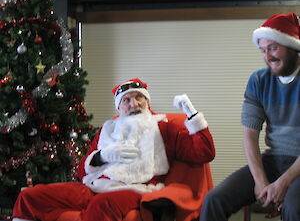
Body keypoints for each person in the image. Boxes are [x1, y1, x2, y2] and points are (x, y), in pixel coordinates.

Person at [13, 77, 215, 221]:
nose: (133, 103)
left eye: (139, 98)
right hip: (94, 187)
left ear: (147, 101)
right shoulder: (108, 129)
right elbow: (82, 171)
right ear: (119, 107)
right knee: (30, 197)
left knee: (102, 205)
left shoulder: (163, 126)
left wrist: (192, 115)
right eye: (126, 100)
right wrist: (101, 156)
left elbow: (204, 153)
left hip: (135, 189)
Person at [199, 12, 300, 221]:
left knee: (293, 207)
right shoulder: (258, 80)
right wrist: (260, 180)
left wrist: (283, 183)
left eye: (273, 48)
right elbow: (249, 136)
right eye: (263, 50)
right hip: (273, 160)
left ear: (293, 47)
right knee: (214, 200)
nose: (268, 56)